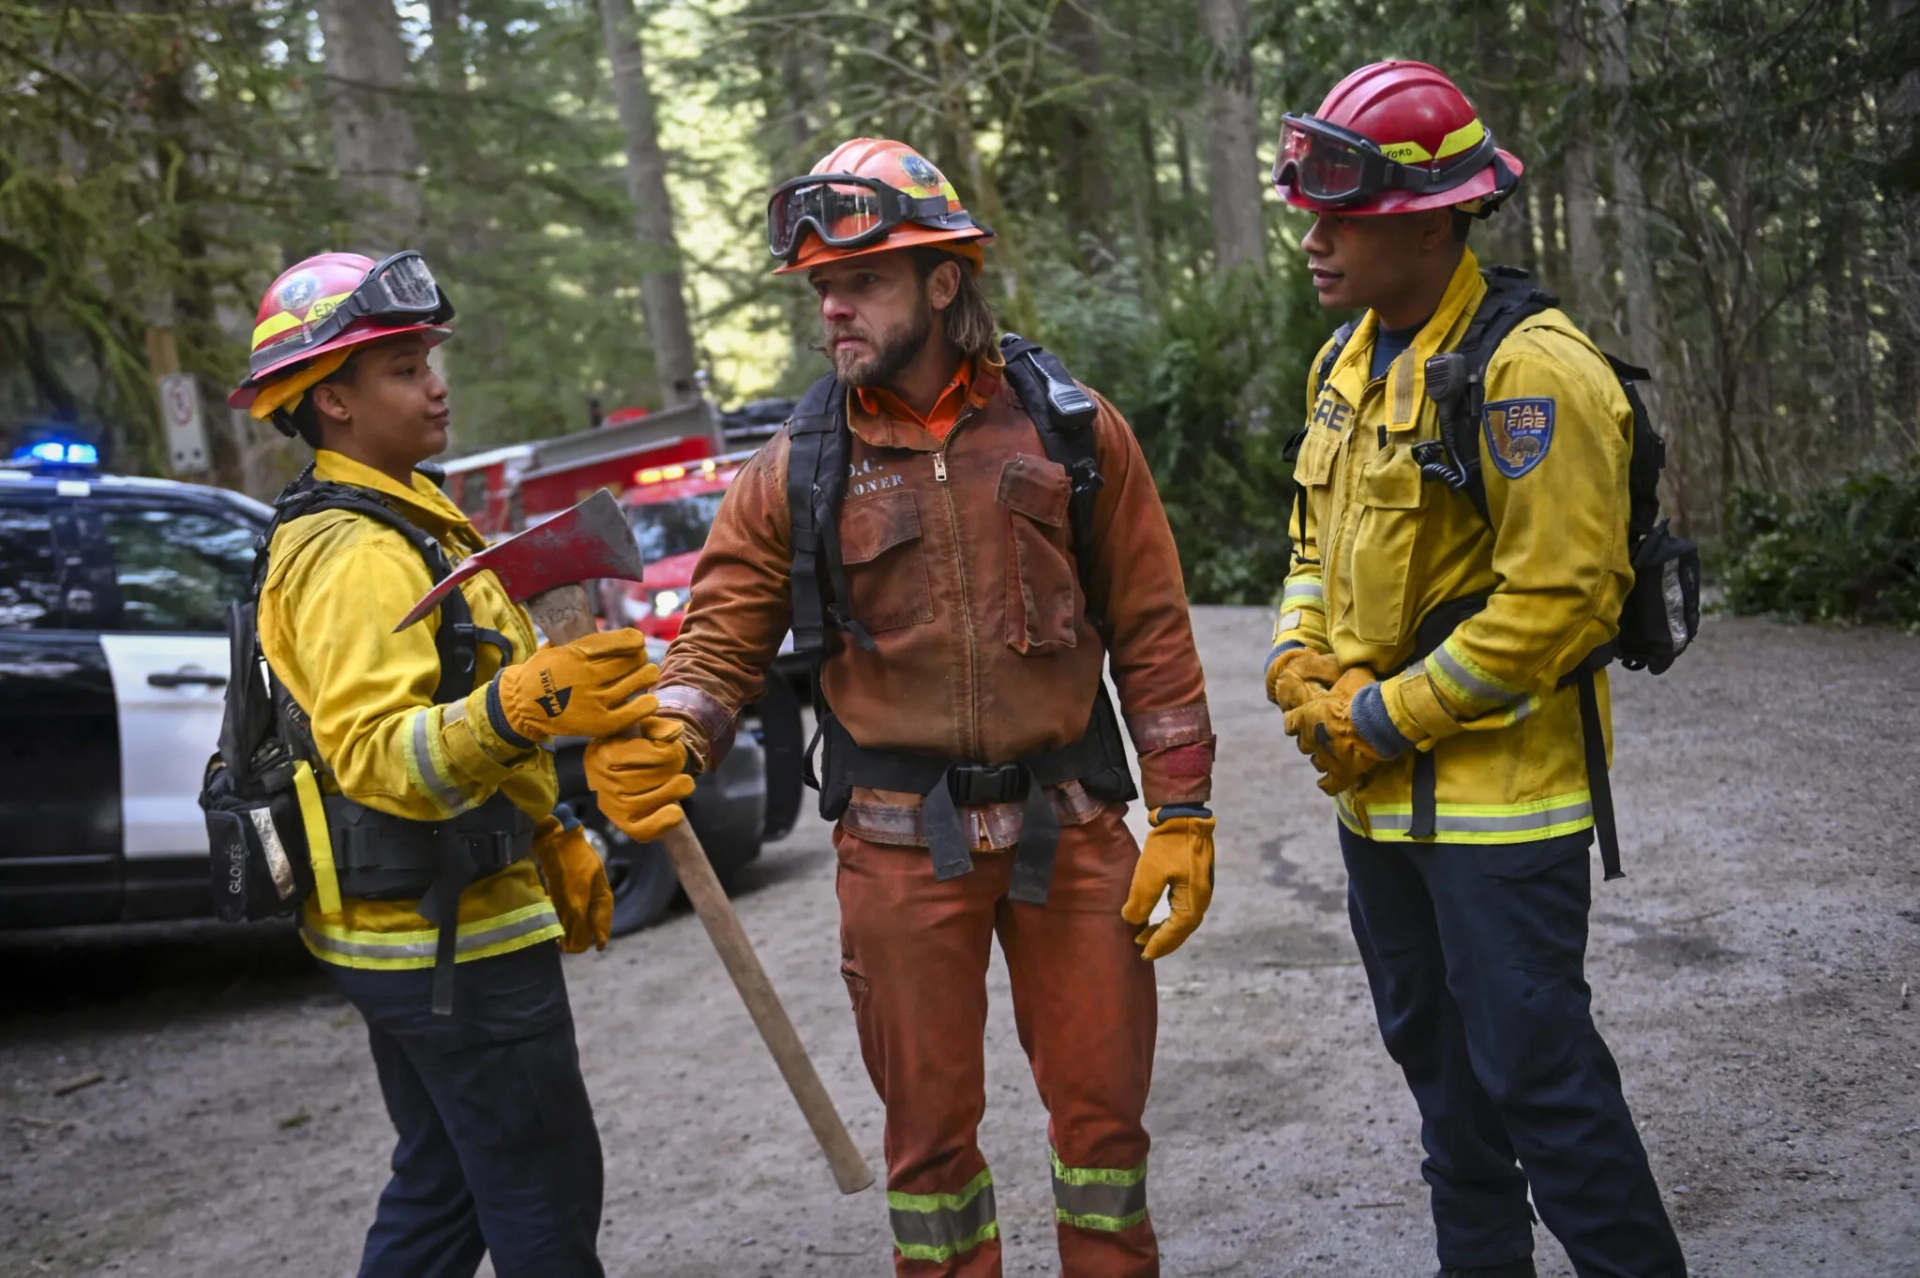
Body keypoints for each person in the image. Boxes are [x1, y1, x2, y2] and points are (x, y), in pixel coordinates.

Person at [583, 139, 1214, 1276]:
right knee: (929, 1159)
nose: (833, 310)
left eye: (861, 282)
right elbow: (719, 643)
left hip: (1071, 831)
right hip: (896, 845)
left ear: (941, 280)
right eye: (822, 289)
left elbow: (1155, 627)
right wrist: (676, 727)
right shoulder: (795, 469)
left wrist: (1184, 812)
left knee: (1106, 1141)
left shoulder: (1069, 430)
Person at [1265, 62, 1689, 1278]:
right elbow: (1313, 547)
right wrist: (1296, 656)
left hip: (1503, 824)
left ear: (1432, 216)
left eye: (1341, 214)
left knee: (1544, 1094)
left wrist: (1384, 717)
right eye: (1308, 211)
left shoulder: (1533, 373)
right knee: (1449, 1109)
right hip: (1374, 812)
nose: (1315, 237)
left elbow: (1558, 606)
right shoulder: (1343, 363)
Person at [228, 251, 684, 1278]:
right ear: (331, 400)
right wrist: (522, 706)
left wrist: (548, 832)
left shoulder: (405, 514)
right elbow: (380, 755)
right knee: (542, 1200)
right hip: (448, 946)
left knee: (447, 1189)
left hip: (429, 928)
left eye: (429, 357)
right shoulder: (355, 551)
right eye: (401, 367)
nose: (435, 381)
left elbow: (457, 705)